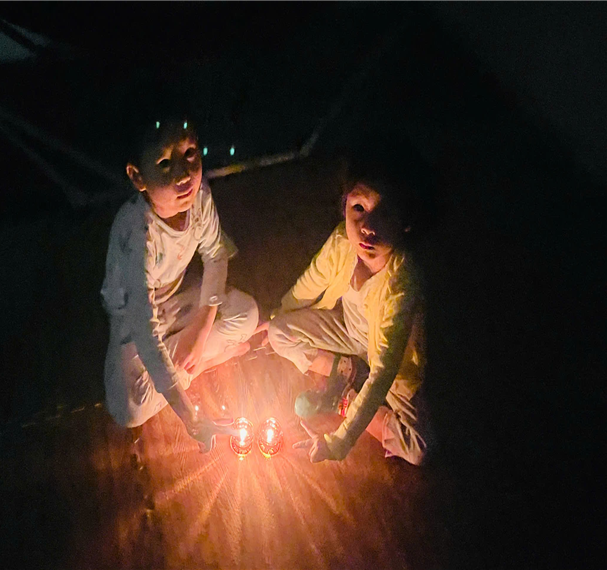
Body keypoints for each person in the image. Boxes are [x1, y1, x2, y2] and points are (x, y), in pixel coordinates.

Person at [101, 110, 259, 451]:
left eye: (189, 154)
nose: (184, 174)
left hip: (176, 300)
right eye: (164, 164)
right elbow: (144, 330)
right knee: (127, 409)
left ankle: (188, 360)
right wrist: (189, 414)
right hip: (133, 320)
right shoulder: (137, 235)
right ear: (137, 176)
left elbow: (215, 254)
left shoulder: (200, 196)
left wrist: (199, 330)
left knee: (248, 314)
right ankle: (198, 365)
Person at [268, 155, 431, 465]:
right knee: (277, 332)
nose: (368, 227)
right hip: (346, 332)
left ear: (406, 222)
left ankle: (347, 398)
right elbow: (310, 282)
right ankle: (346, 370)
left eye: (385, 213)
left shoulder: (402, 283)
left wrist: (338, 441)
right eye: (359, 208)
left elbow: (383, 372)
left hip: (389, 362)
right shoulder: (343, 242)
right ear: (344, 205)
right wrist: (278, 315)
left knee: (418, 447)